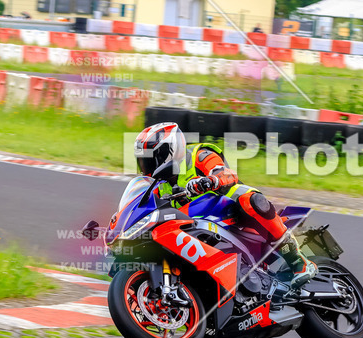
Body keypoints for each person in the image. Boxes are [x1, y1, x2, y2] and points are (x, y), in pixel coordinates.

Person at [133, 122, 317, 301]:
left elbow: (227, 174)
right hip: (194, 226)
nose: (147, 167)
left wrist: (209, 181)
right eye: (143, 161)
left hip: (228, 211)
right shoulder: (159, 186)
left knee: (250, 200)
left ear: (169, 150)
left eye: (150, 160)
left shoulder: (199, 154)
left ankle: (298, 261)